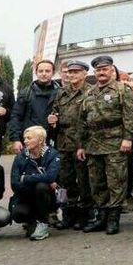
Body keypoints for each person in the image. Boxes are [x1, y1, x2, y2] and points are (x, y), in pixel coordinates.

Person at [80, 54, 133, 234]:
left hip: (115, 142)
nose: (101, 73)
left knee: (116, 181)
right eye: (98, 70)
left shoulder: (122, 90)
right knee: (97, 183)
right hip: (93, 144)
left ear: (112, 71)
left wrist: (128, 138)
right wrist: (81, 144)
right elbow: (82, 120)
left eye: (105, 69)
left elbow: (131, 116)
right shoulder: (89, 93)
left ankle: (113, 219)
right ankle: (101, 217)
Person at [48, 59, 93, 230]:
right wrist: (53, 119)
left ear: (84, 74)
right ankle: (68, 214)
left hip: (83, 143)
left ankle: (85, 216)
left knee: (84, 181)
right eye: (70, 72)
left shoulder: (91, 92)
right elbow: (55, 111)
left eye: (76, 72)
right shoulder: (61, 92)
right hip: (64, 142)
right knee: (65, 182)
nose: (72, 75)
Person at [9, 125, 60, 241]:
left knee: (41, 187)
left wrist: (26, 178)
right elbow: (14, 183)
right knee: (17, 213)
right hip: (26, 196)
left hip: (46, 196)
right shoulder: (20, 157)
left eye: (29, 138)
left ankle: (43, 222)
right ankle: (33, 220)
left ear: (41, 140)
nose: (25, 141)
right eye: (24, 138)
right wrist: (42, 179)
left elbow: (51, 176)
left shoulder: (52, 154)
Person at [9, 59, 60, 154]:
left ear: (53, 73)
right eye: (41, 71)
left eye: (47, 71)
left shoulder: (61, 93)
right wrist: (15, 139)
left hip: (52, 141)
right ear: (36, 72)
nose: (44, 74)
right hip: (29, 141)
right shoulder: (26, 93)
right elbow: (16, 116)